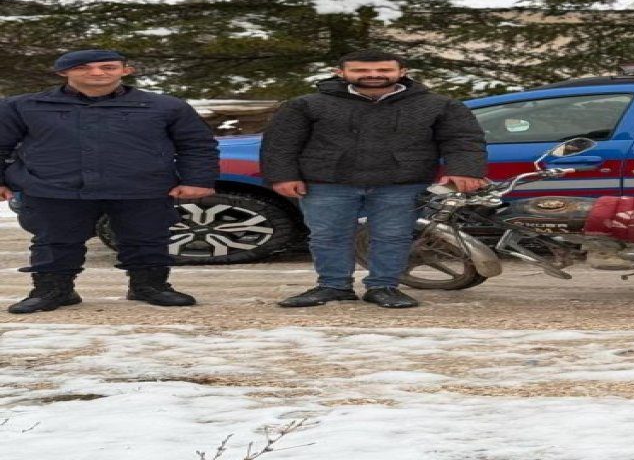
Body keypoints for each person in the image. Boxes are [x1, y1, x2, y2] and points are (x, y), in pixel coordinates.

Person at [261, 50, 488, 309]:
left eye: (384, 70)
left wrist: (466, 170)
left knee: (394, 236)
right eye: (361, 70)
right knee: (327, 236)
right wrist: (282, 175)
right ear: (341, 73)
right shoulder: (306, 104)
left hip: (402, 182)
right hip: (327, 181)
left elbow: (463, 140)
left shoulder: (439, 105)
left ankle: (384, 287)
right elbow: (280, 144)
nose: (373, 75)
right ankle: (333, 286)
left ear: (402, 72)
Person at [0, 50, 219, 314]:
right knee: (54, 241)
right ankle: (53, 290)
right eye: (83, 67)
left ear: (126, 70)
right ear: (63, 72)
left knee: (147, 240)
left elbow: (197, 145)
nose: (96, 73)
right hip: (53, 187)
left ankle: (149, 286)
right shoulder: (23, 106)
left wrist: (198, 179)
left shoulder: (166, 106)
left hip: (141, 187)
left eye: (108, 67)